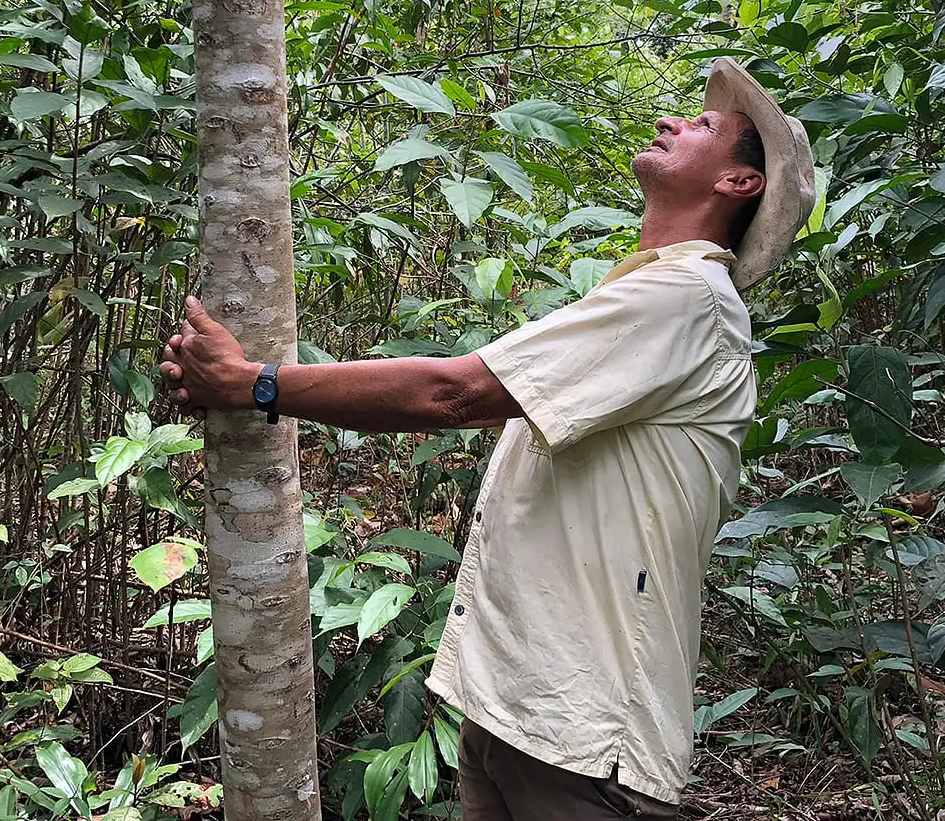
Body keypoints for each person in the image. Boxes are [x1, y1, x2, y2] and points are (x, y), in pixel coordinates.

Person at [159, 57, 815, 820]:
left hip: (587, 741)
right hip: (519, 714)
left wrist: (253, 384)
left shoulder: (688, 298)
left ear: (739, 184)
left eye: (703, 127)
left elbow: (454, 392)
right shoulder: (647, 292)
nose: (671, 122)